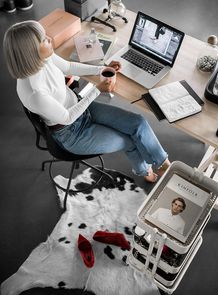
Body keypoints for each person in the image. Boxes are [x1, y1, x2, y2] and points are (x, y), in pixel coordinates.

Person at [3, 20, 170, 182]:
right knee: (129, 141)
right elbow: (67, 118)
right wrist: (97, 90)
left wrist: (102, 69)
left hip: (81, 107)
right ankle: (144, 170)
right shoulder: (34, 92)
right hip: (72, 133)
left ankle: (162, 164)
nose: (49, 39)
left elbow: (68, 67)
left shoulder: (42, 58)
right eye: (43, 40)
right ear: (31, 51)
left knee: (138, 122)